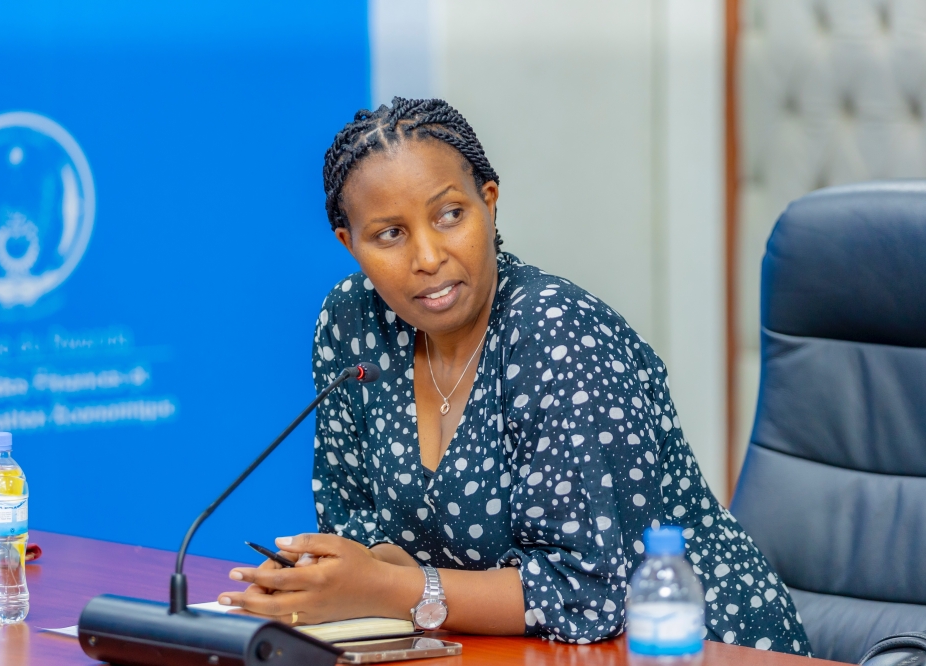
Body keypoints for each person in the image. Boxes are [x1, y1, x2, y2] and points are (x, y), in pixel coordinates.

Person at [218, 98, 812, 654]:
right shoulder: (354, 324)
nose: (427, 257)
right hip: (503, 650)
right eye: (390, 234)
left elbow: (590, 594)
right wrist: (337, 575)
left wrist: (383, 588)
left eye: (450, 214)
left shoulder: (558, 334)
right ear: (350, 244)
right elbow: (355, 520)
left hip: (693, 645)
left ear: (490, 201)